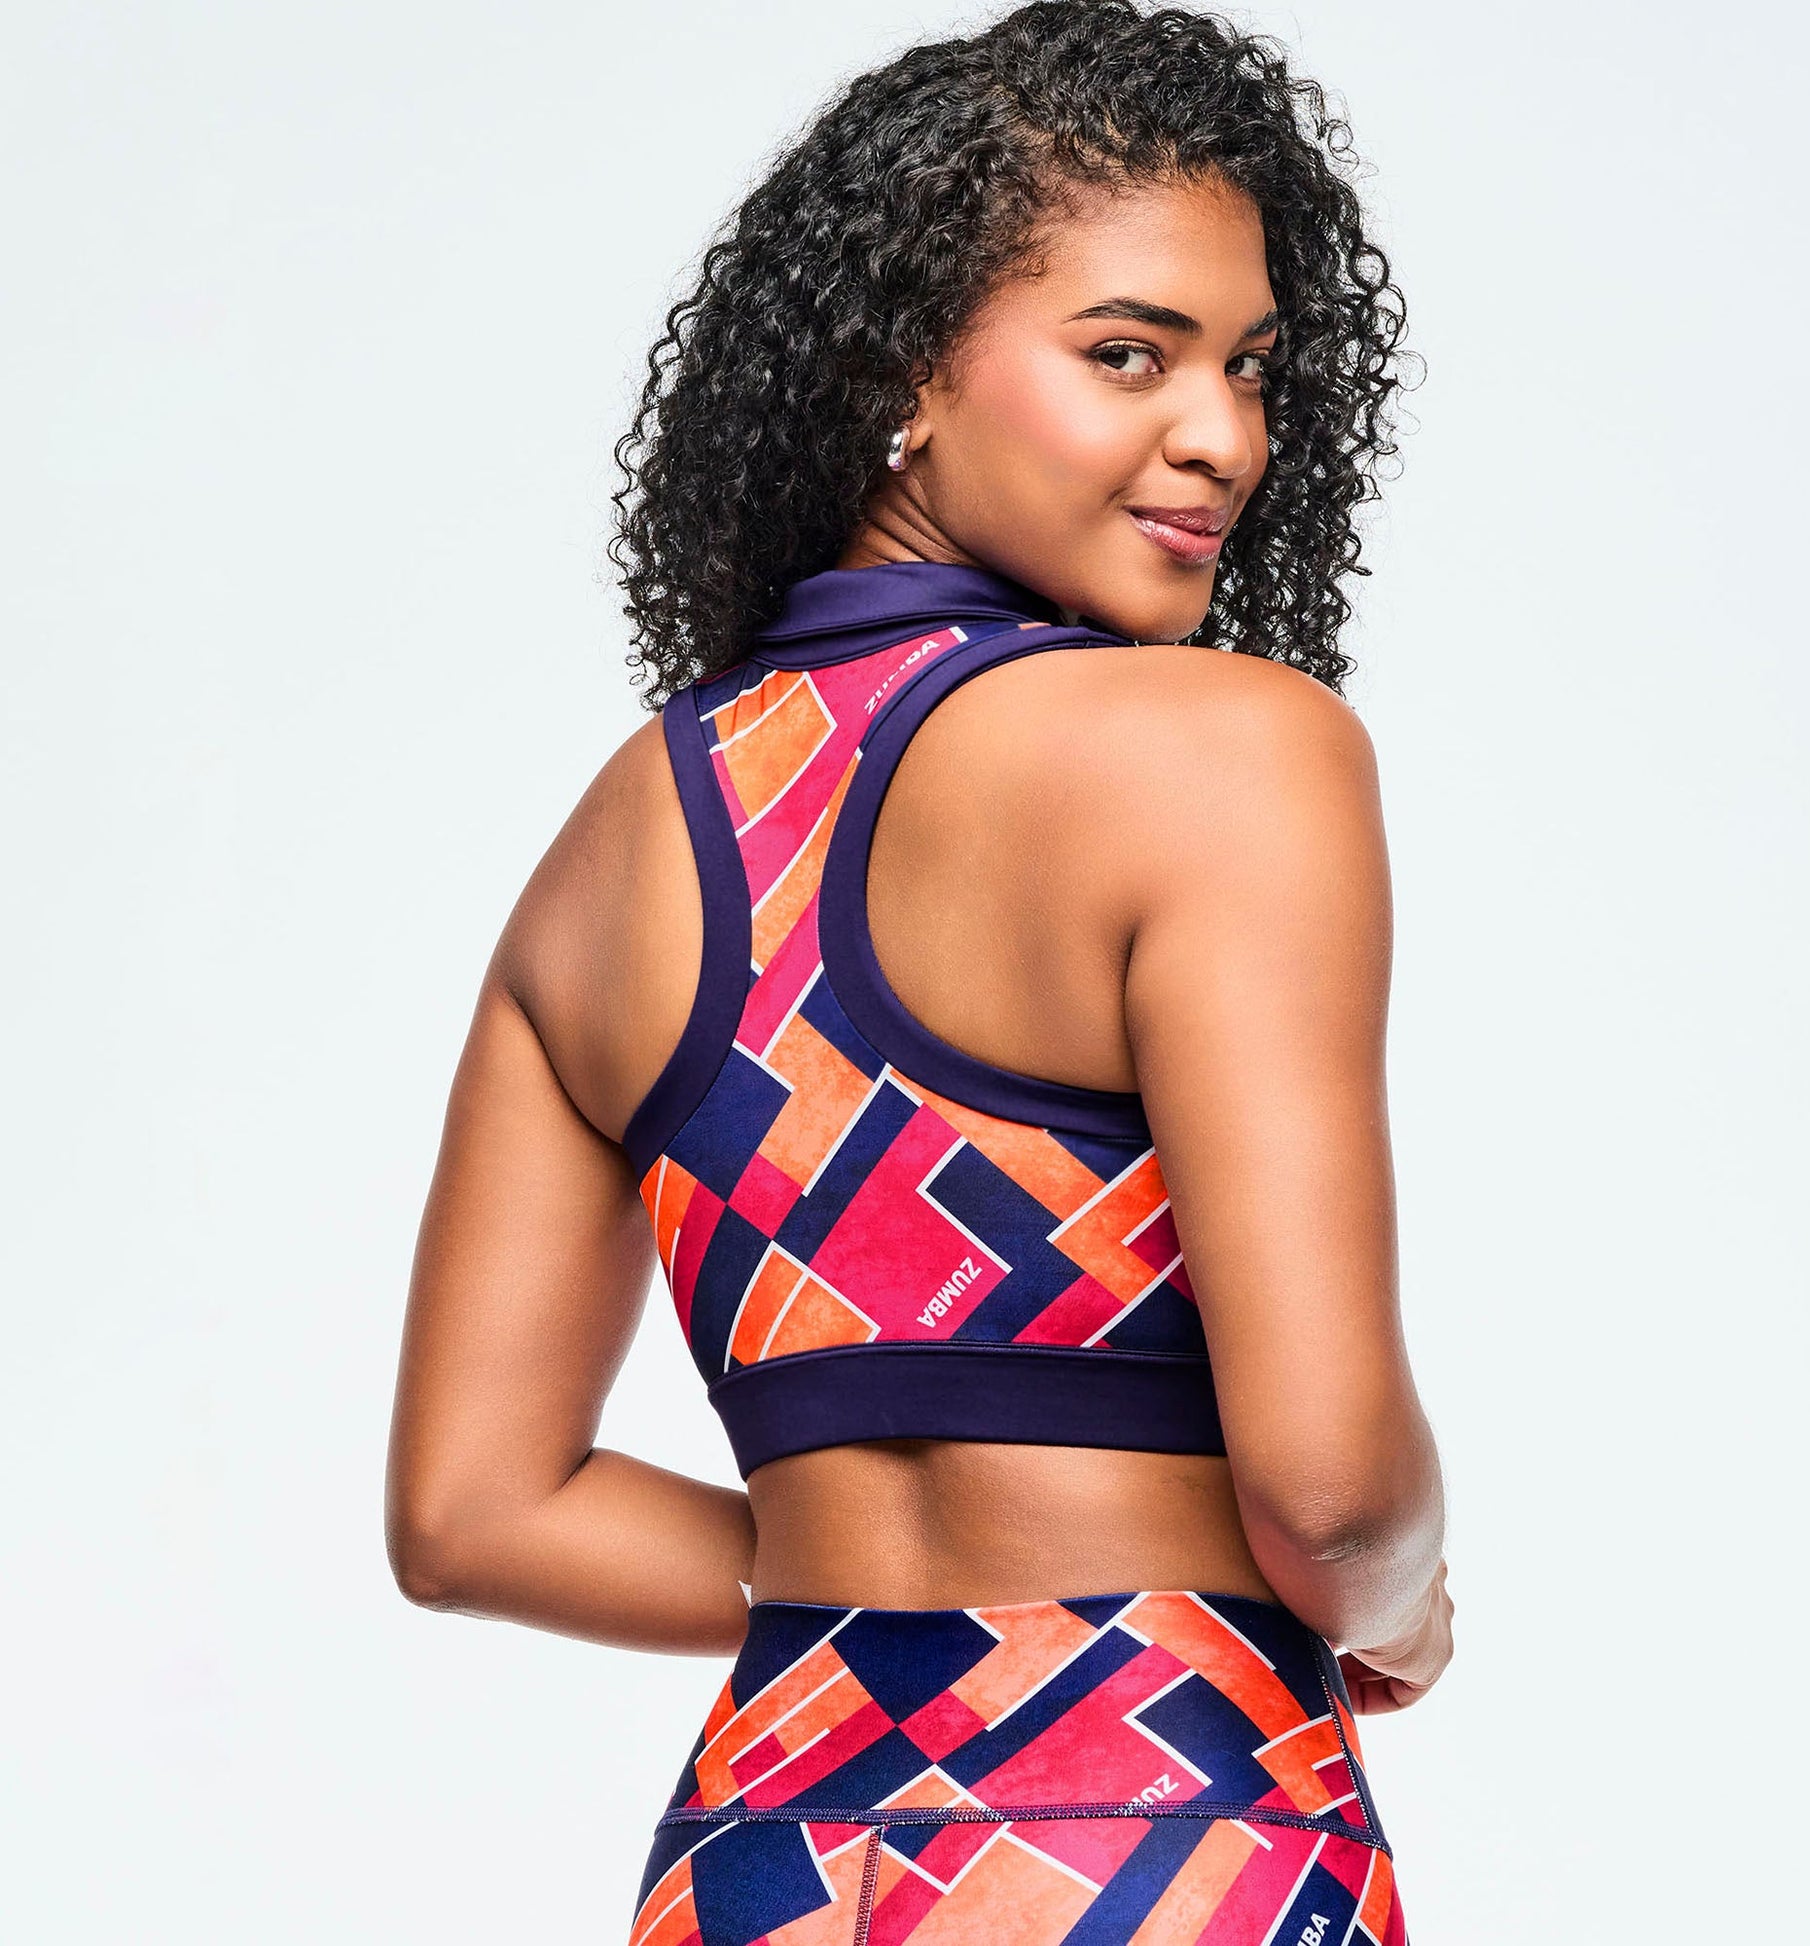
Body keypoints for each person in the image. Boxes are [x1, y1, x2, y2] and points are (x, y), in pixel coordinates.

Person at [385, 2, 1451, 1939]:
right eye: (1127, 354)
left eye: (1248, 366)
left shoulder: (619, 843)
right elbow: (1328, 1490)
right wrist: (1400, 1602)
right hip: (1161, 1829)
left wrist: (876, 1605)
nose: (1222, 435)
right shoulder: (1230, 755)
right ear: (902, 368)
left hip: (762, 1854)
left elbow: (474, 1512)